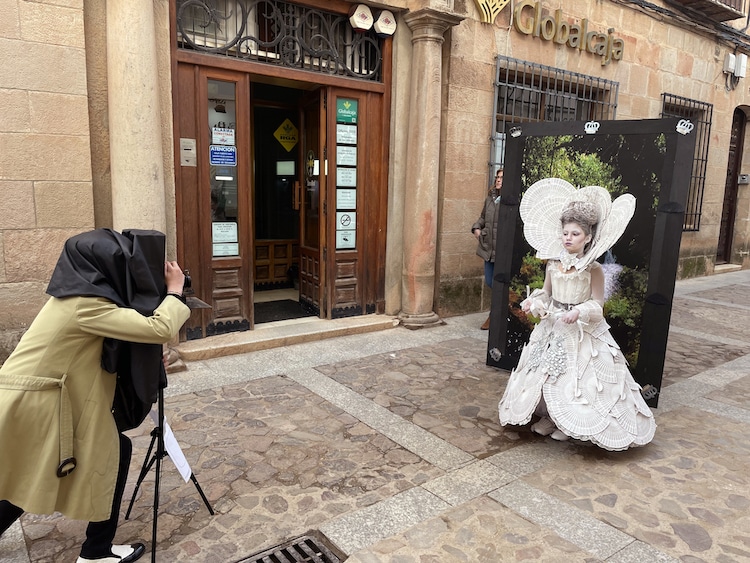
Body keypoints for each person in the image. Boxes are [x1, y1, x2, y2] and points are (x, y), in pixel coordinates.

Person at [0, 228, 191, 563]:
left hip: (43, 399)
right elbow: (157, 328)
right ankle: (95, 553)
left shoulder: (78, 296)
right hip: (39, 403)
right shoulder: (83, 304)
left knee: (32, 470)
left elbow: (101, 346)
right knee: (57, 465)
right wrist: (174, 291)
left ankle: (97, 549)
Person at [498, 179, 656, 451]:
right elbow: (546, 293)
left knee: (576, 377)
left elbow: (597, 304)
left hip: (580, 330)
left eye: (574, 234)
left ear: (588, 238)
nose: (568, 238)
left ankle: (567, 424)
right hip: (552, 326)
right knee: (545, 372)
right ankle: (549, 417)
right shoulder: (552, 264)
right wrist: (534, 302)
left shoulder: (593, 269)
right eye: (565, 233)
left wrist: (580, 311)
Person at [472, 167, 504, 330]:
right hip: (487, 247)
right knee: (491, 282)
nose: (498, 180)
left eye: (502, 178)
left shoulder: (508, 201)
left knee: (498, 285)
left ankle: (494, 317)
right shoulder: (490, 198)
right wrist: (477, 228)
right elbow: (483, 217)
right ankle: (497, 315)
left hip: (501, 249)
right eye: (497, 177)